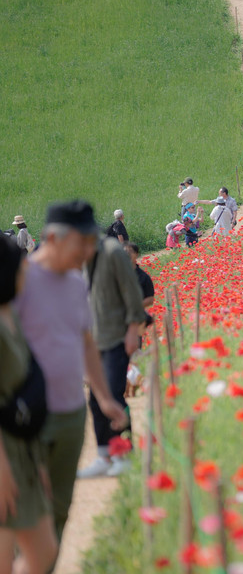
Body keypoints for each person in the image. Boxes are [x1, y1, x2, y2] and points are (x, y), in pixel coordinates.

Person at [15, 201, 128, 547]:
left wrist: (105, 398)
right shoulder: (18, 283)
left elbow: (85, 343)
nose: (89, 250)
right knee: (25, 517)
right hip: (27, 419)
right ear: (53, 238)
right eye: (83, 242)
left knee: (59, 512)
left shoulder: (77, 283)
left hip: (70, 415)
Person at [0, 236, 59, 574]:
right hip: (3, 451)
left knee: (43, 550)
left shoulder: (11, 313)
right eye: (20, 263)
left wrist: (36, 463)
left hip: (23, 446)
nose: (27, 268)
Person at [76, 221, 147, 480]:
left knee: (115, 395)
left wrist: (132, 331)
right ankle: (105, 454)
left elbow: (132, 293)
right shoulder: (84, 257)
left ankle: (124, 453)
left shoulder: (112, 252)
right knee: (96, 399)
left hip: (117, 336)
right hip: (95, 339)